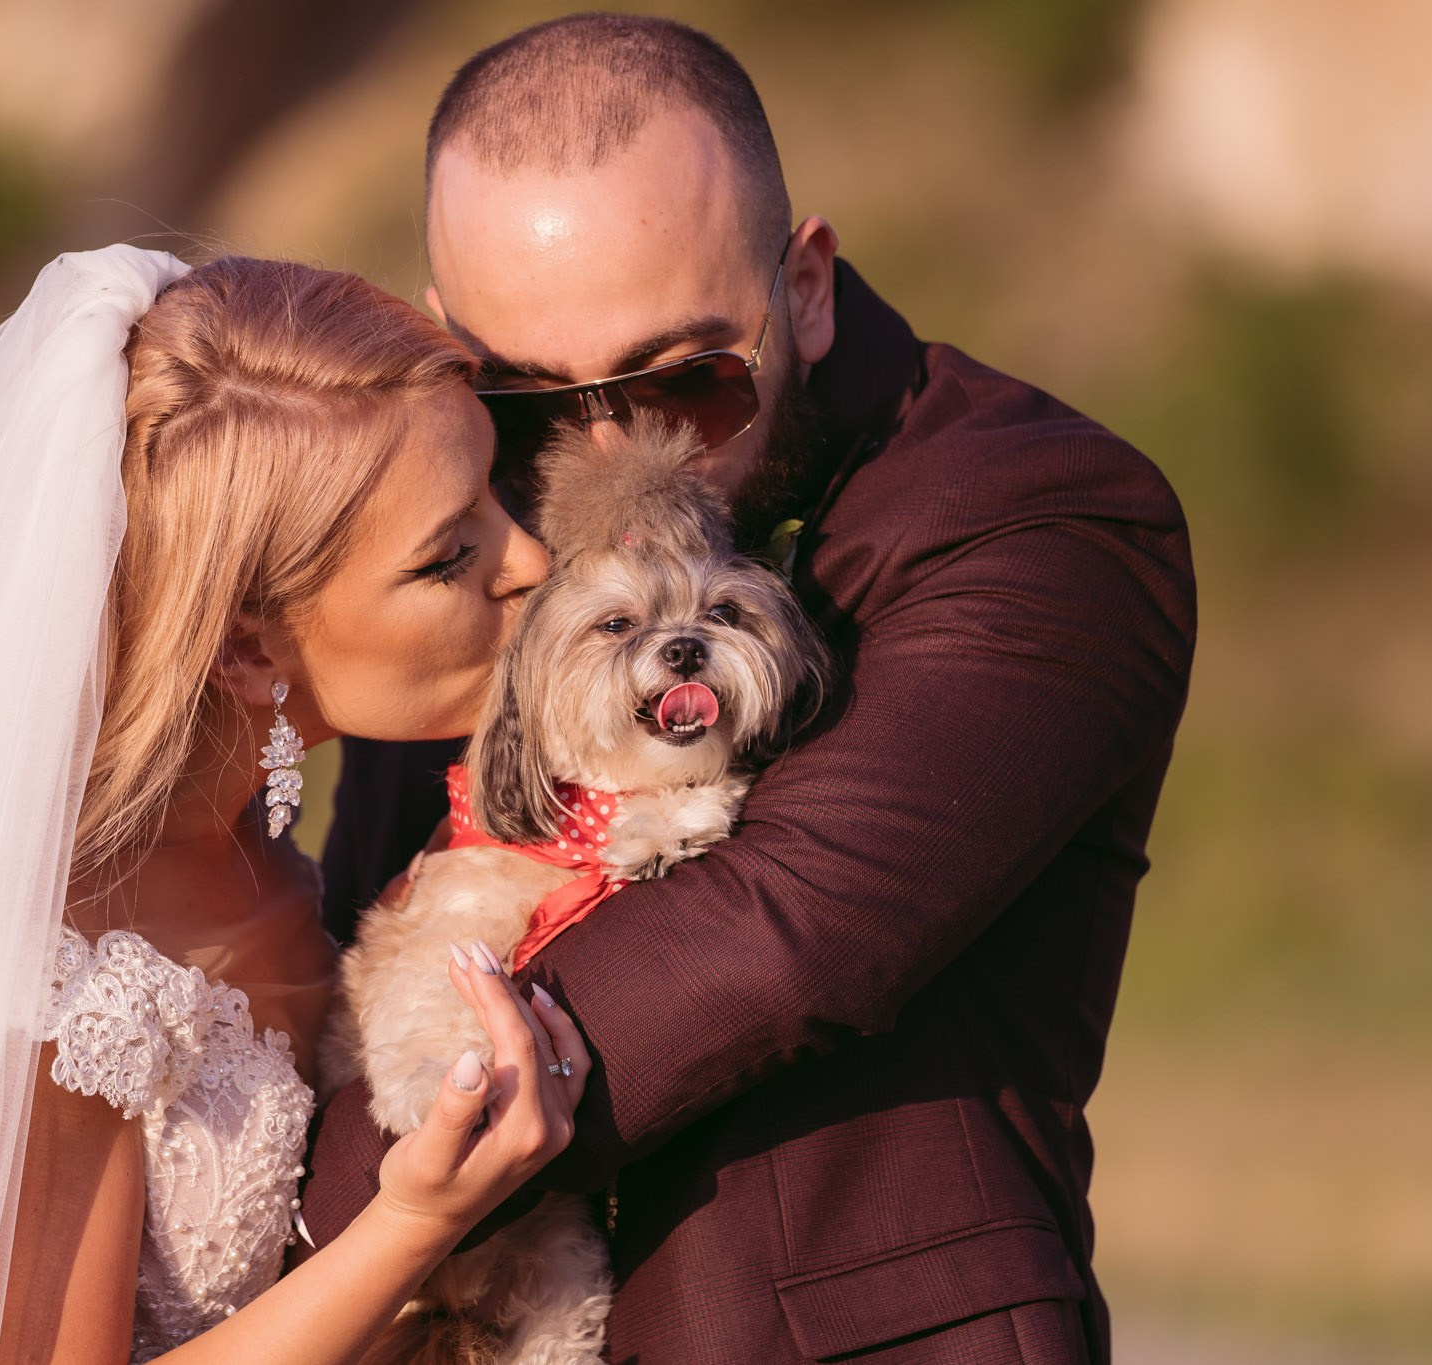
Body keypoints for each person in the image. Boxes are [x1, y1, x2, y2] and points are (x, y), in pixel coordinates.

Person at [300, 15, 1198, 1364]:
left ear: (810, 285)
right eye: (538, 398)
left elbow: (782, 939)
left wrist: (341, 1216)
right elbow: (371, 911)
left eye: (688, 382)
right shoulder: (482, 536)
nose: (613, 446)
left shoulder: (1042, 516)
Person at [0, 246, 589, 1365]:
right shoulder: (40, 983)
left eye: (495, 494)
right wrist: (417, 1224)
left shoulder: (238, 845)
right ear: (244, 647)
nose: (531, 559)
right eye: (448, 554)